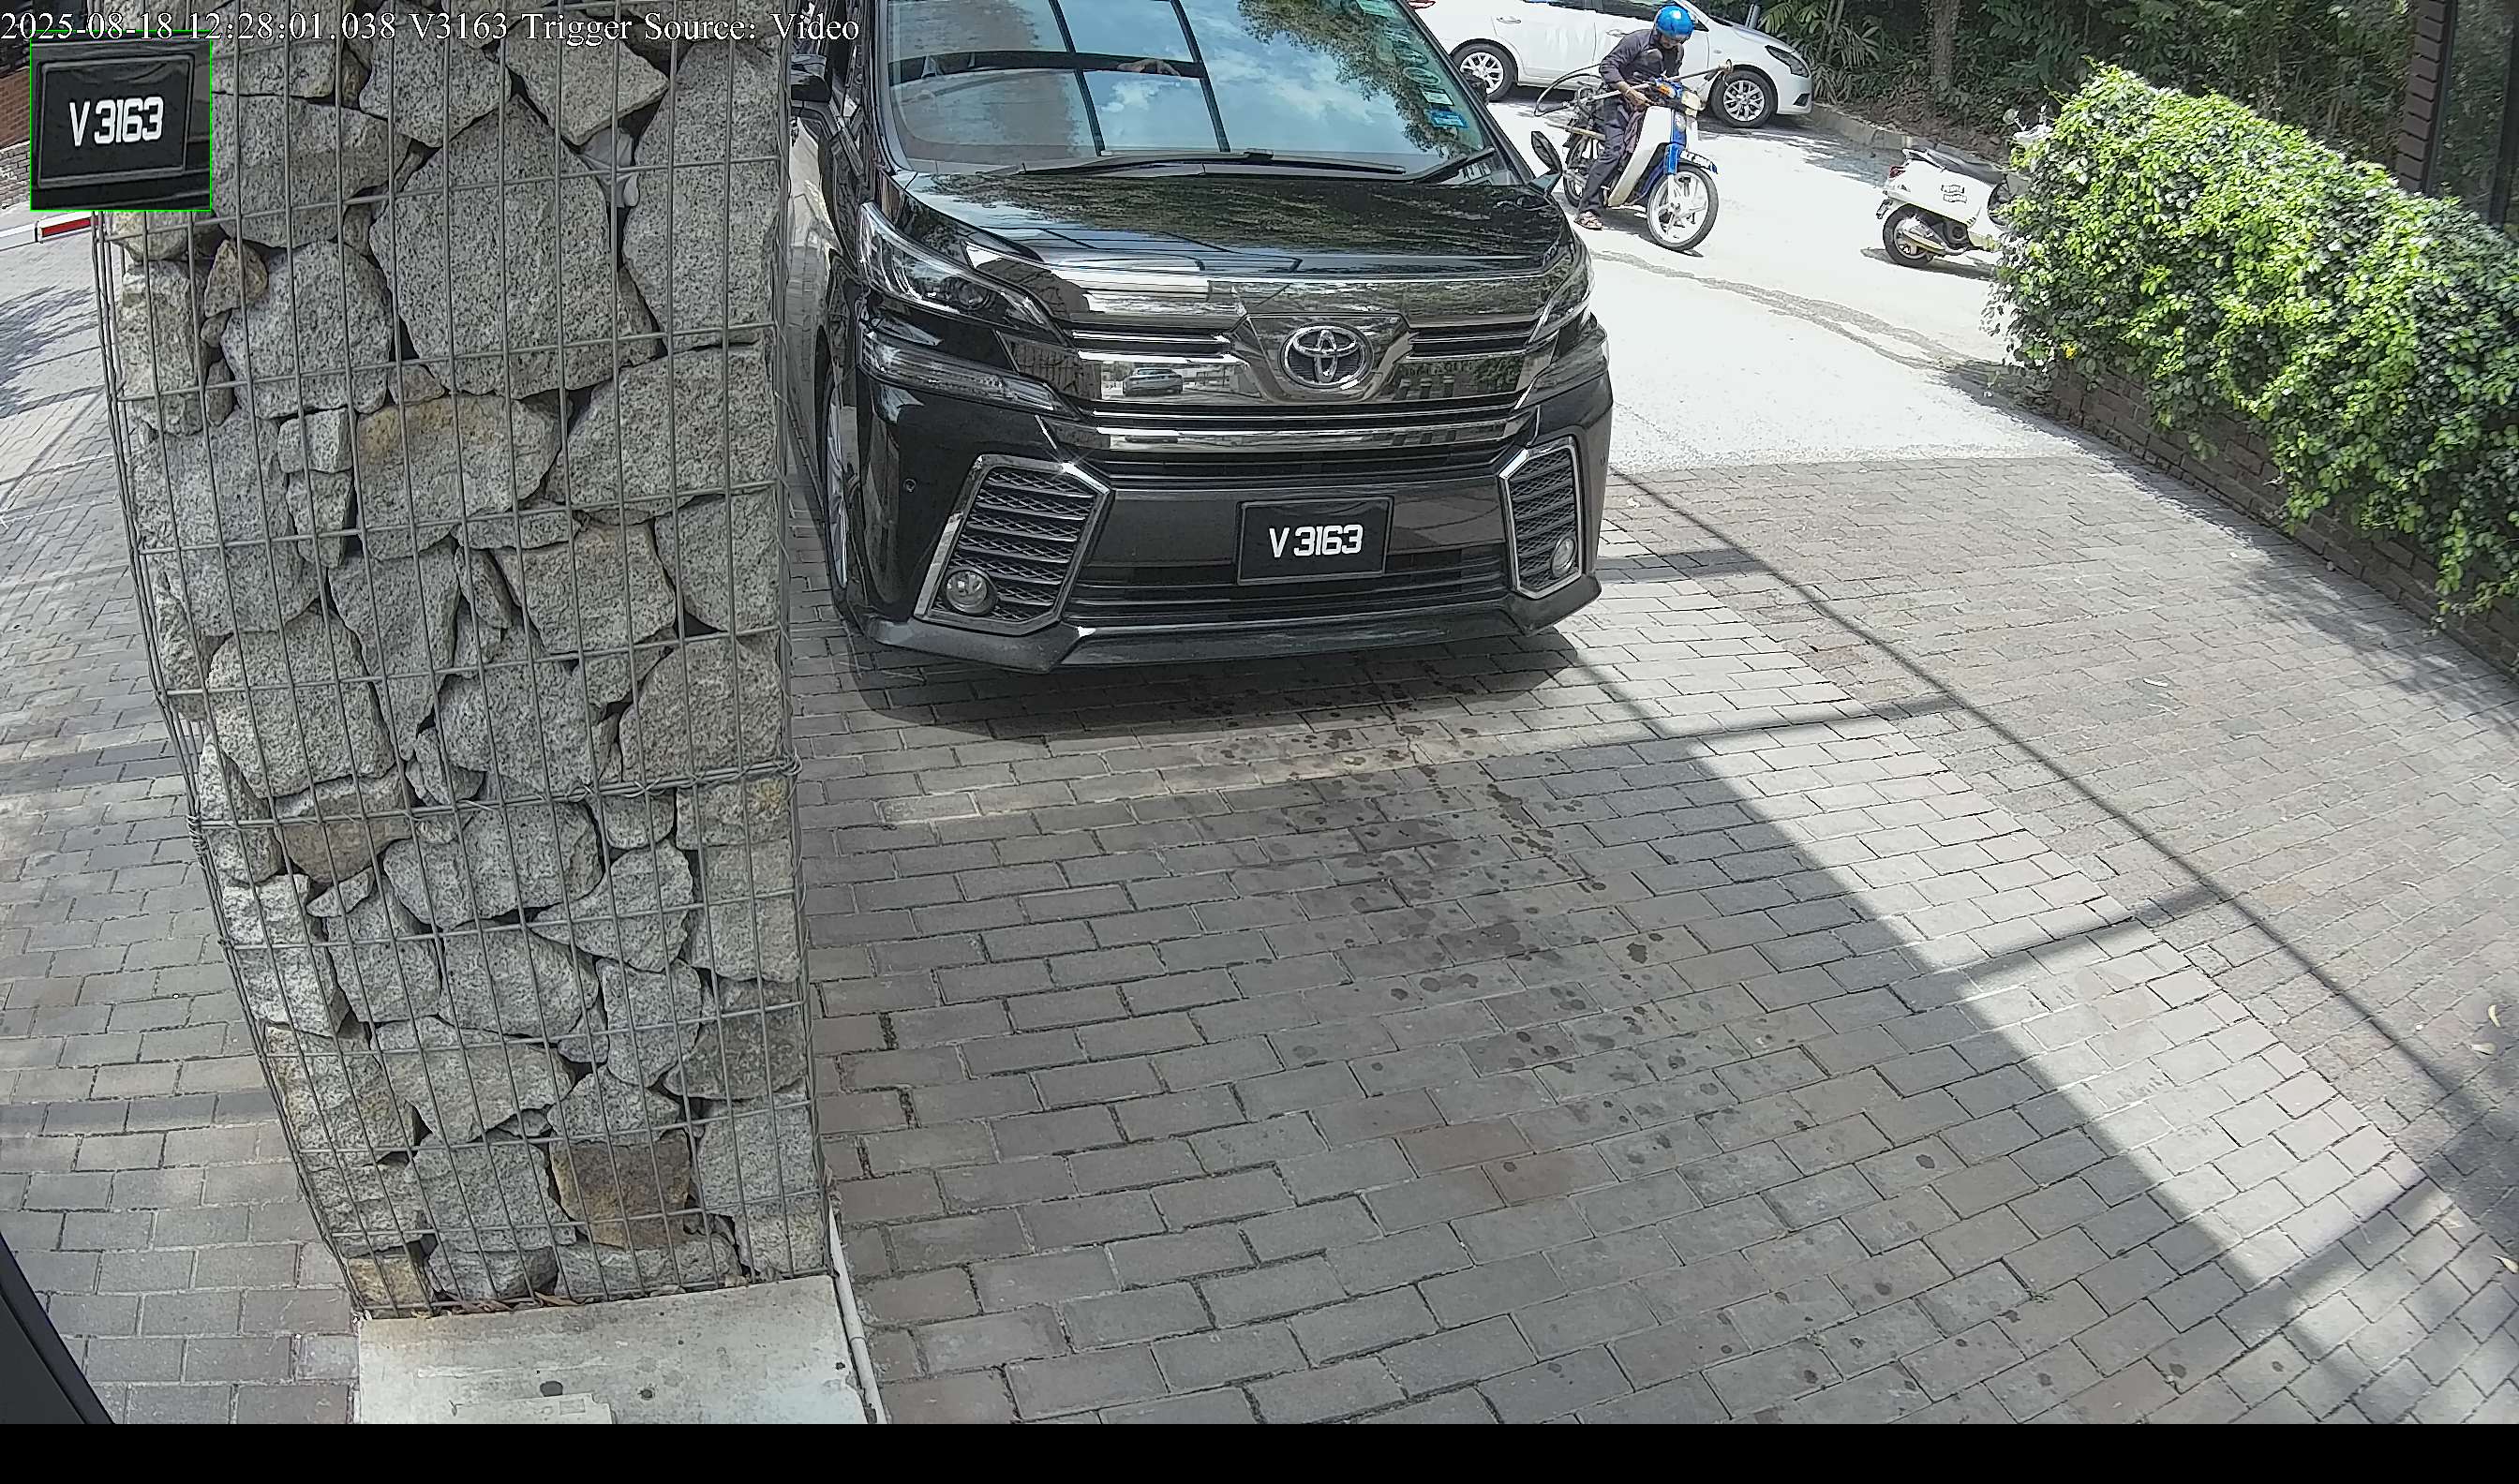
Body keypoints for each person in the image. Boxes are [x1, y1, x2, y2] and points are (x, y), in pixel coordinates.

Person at [1573, 5, 1695, 230]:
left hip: (1650, 104)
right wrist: (1628, 91)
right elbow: (1607, 66)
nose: (1671, 44)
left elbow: (1671, 78)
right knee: (1615, 150)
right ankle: (1587, 209)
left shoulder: (1677, 51)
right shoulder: (1636, 41)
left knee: (1658, 149)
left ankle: (1650, 198)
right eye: (1668, 39)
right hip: (1617, 100)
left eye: (1677, 41)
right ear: (1658, 30)